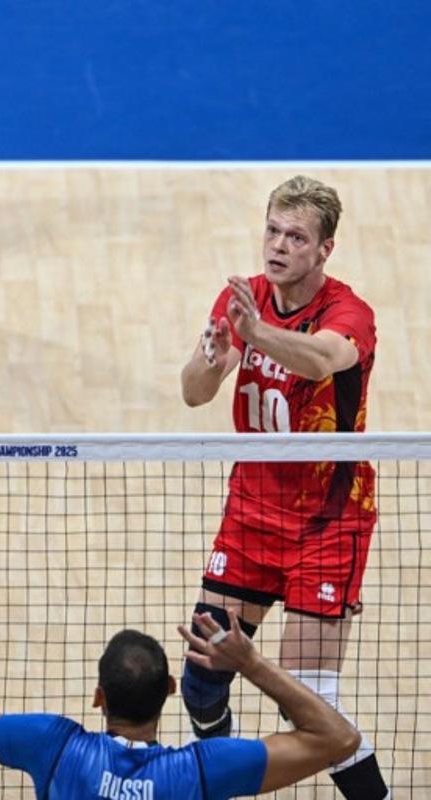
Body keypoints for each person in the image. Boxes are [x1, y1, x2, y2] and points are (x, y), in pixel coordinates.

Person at [0, 515, 363, 799]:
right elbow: (338, 738)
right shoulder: (200, 770)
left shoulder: (55, 748)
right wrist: (251, 664)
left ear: (99, 697)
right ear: (171, 691)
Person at [179, 175, 389, 799]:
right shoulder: (240, 300)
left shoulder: (350, 315)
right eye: (272, 230)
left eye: (296, 237)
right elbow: (194, 393)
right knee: (200, 676)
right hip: (252, 510)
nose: (278, 246)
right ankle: (221, 778)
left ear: (325, 250)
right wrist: (215, 355)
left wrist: (255, 331)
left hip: (329, 521)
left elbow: (320, 360)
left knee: (309, 705)